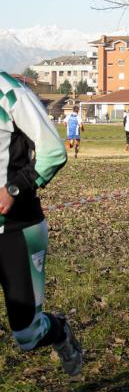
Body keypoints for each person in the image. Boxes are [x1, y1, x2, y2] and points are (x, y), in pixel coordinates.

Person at [0, 71, 82, 376]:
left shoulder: (9, 93)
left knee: (27, 334)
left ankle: (59, 331)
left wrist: (14, 189)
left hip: (16, 229)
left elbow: (53, 151)